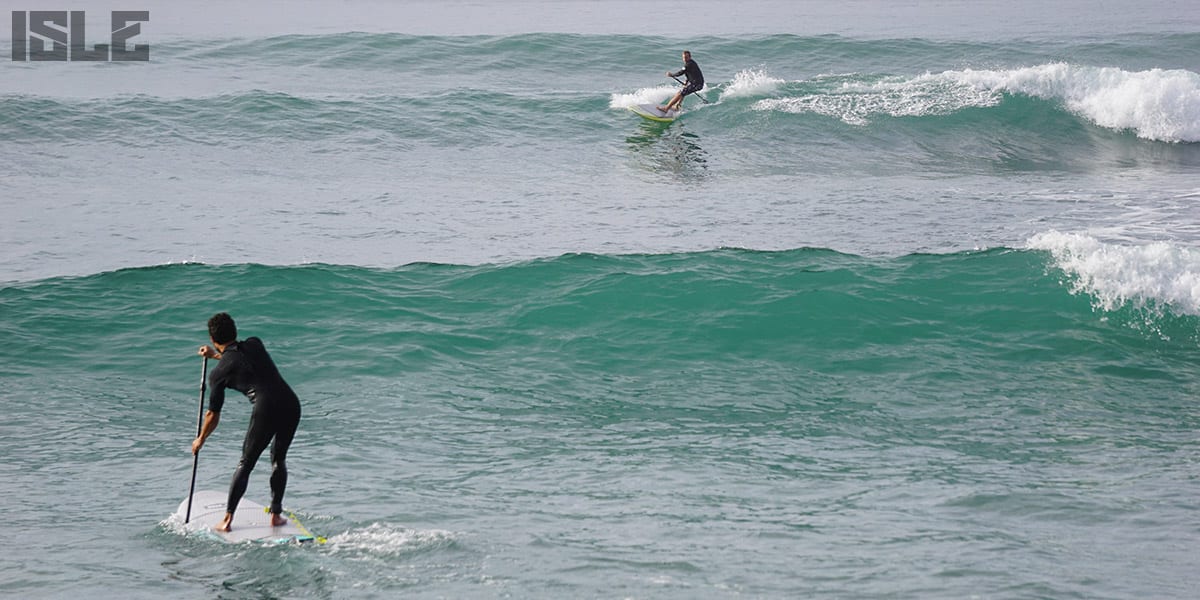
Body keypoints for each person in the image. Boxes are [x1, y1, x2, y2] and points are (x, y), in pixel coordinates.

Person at [192, 312, 302, 532]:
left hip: (266, 409)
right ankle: (276, 515)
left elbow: (213, 414)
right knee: (278, 459)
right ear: (235, 331)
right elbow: (239, 358)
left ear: (213, 339)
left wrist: (200, 439)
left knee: (246, 463)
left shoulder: (218, 374)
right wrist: (216, 355)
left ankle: (227, 520)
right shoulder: (255, 343)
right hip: (291, 403)